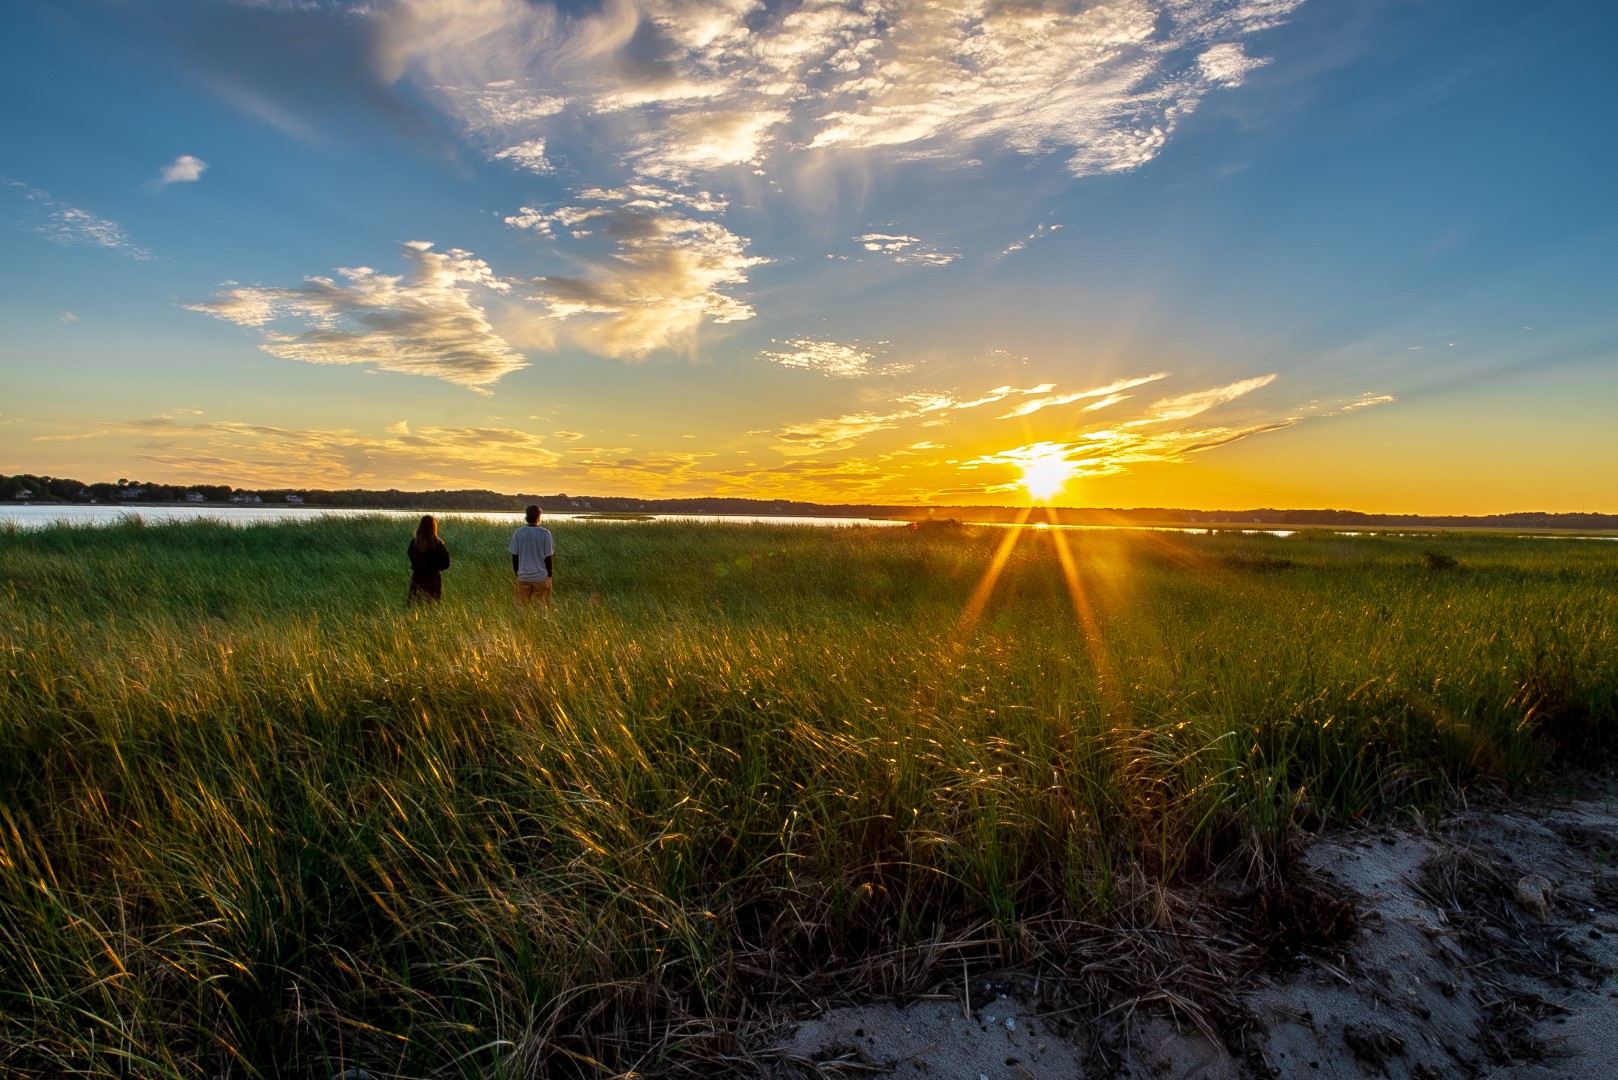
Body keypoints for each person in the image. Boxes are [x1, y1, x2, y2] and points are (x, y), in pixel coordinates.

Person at [509, 503, 555, 607]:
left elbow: (515, 556)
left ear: (526, 517)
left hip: (523, 576)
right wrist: (549, 575)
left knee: (520, 609)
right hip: (541, 576)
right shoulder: (545, 533)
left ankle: (520, 623)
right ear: (539, 517)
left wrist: (517, 572)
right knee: (543, 608)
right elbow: (548, 557)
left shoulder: (518, 533)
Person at [407, 514, 451, 603]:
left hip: (417, 578)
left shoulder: (414, 542)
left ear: (420, 526)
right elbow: (446, 563)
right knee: (432, 605)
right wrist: (435, 568)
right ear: (434, 527)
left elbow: (411, 556)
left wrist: (419, 566)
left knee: (415, 604)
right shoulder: (437, 543)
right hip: (433, 579)